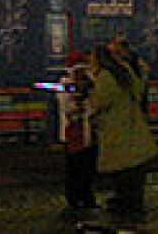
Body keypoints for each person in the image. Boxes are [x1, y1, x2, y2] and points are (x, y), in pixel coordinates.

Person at [92, 44, 158, 223]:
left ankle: (126, 205)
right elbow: (139, 91)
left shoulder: (105, 77)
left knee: (122, 170)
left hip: (116, 128)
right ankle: (134, 203)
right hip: (133, 126)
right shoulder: (126, 71)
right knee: (135, 170)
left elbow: (98, 103)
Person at [58, 51, 99, 212]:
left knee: (88, 167)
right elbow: (67, 107)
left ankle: (87, 195)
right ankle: (74, 197)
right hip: (73, 133)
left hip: (87, 132)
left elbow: (95, 105)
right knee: (74, 167)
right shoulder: (65, 84)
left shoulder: (91, 84)